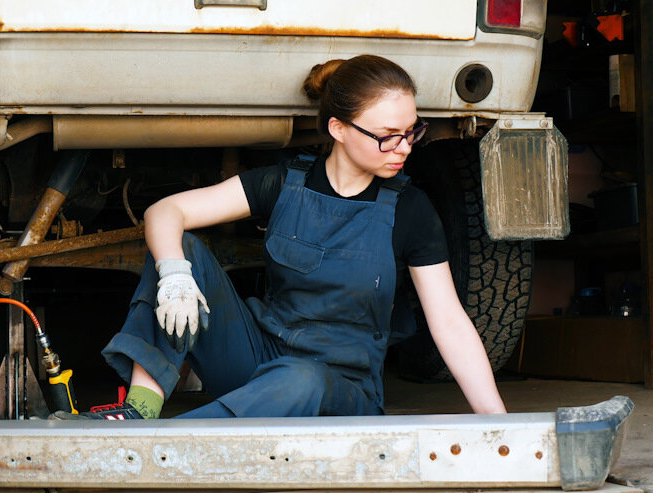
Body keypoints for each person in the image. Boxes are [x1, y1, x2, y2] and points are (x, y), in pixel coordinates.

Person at [58, 54, 507, 420]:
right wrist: (174, 273)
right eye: (388, 137)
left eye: (411, 132)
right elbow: (165, 211)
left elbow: (448, 321)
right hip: (260, 364)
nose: (405, 148)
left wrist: (498, 422)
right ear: (339, 129)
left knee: (301, 379)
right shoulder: (283, 184)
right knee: (183, 252)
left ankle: (151, 445)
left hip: (340, 390)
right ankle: (138, 415)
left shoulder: (411, 210)